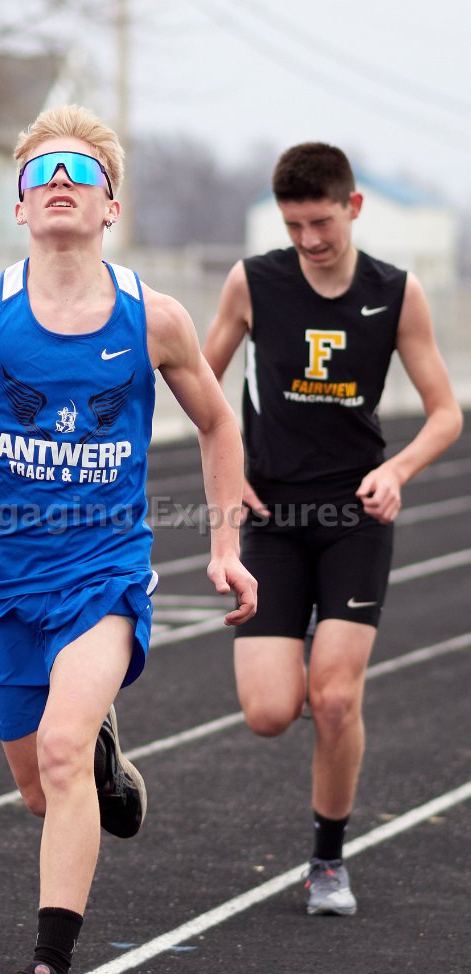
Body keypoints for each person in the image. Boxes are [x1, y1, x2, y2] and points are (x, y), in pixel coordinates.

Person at [0, 104, 257, 974]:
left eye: (81, 172)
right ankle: (103, 761)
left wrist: (224, 546)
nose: (60, 181)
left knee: (57, 753)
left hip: (102, 572)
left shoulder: (153, 318)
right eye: (41, 172)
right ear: (18, 205)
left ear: (109, 206)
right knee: (39, 789)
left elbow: (218, 424)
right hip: (1, 578)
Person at [203, 142, 462, 917]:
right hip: (272, 518)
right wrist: (230, 469)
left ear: (352, 206)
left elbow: (445, 413)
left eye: (320, 222)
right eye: (293, 226)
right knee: (268, 712)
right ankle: (310, 673)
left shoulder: (395, 292)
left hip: (355, 515)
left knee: (336, 700)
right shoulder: (252, 282)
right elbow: (195, 384)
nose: (308, 239)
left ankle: (326, 861)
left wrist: (397, 471)